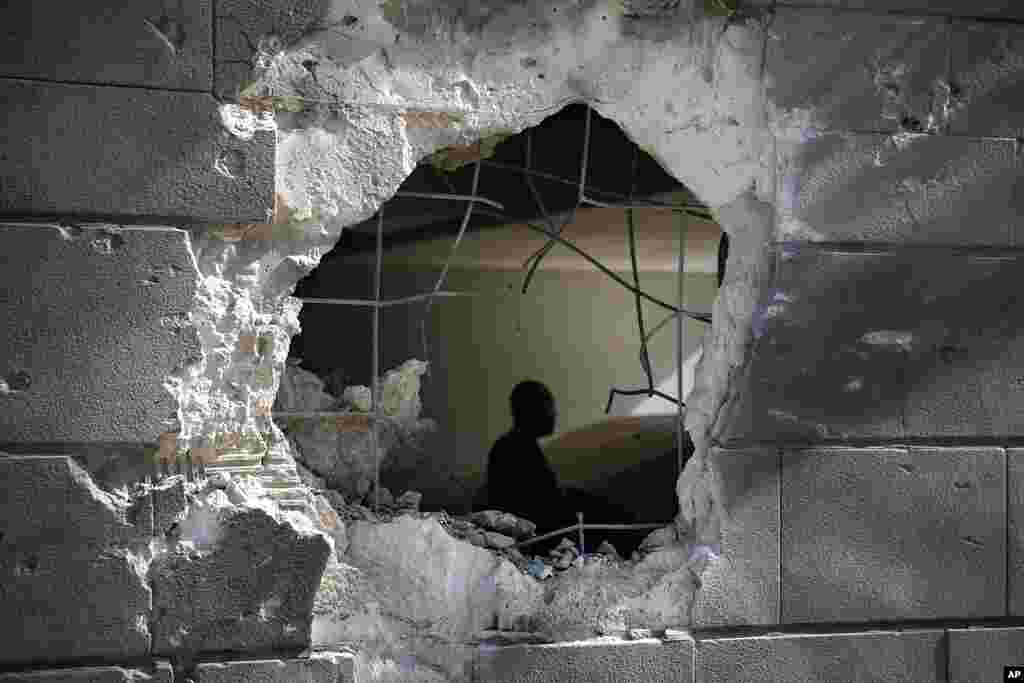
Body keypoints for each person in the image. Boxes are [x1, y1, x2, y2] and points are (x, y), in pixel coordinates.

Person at [482, 380, 571, 534]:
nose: (554, 413)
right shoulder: (514, 450)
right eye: (548, 406)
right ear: (531, 411)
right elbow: (537, 511)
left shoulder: (515, 446)